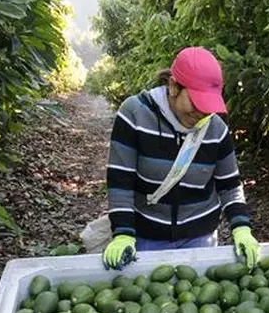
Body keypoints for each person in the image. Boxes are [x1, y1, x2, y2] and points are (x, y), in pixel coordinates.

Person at [100, 46, 260, 270]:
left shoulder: (215, 129)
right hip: (147, 235)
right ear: (174, 86)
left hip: (200, 238)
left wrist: (241, 227)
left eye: (208, 107)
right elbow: (120, 180)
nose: (201, 114)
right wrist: (123, 233)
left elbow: (230, 185)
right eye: (196, 103)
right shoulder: (135, 114)